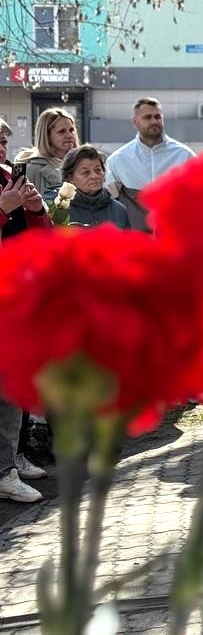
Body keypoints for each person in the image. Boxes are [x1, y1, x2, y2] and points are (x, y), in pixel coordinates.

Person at [0, 117, 51, 502]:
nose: (2, 147)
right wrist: (3, 209)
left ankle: (9, 463)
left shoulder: (7, 176)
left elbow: (41, 240)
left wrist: (34, 210)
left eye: (3, 140)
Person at [105, 98, 195, 231]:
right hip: (136, 242)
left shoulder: (184, 155)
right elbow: (108, 201)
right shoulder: (118, 160)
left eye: (157, 116)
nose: (154, 121)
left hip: (176, 237)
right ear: (134, 121)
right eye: (147, 117)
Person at [44, 146, 130, 229]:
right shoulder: (55, 208)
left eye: (98, 170)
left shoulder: (119, 211)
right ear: (70, 178)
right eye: (85, 172)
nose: (94, 176)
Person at [13, 107, 78, 196]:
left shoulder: (79, 165)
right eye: (62, 131)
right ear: (46, 136)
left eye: (71, 130)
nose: (69, 135)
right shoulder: (30, 168)